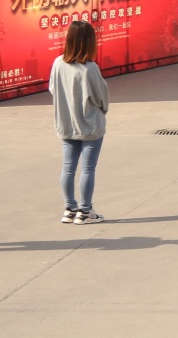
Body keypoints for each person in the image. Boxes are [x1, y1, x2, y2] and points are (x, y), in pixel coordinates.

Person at [49, 20, 110, 224]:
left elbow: (52, 89)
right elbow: (101, 97)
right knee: (87, 169)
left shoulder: (58, 63)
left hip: (66, 123)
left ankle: (70, 208)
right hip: (90, 125)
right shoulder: (90, 68)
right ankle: (85, 211)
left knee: (68, 167)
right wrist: (103, 110)